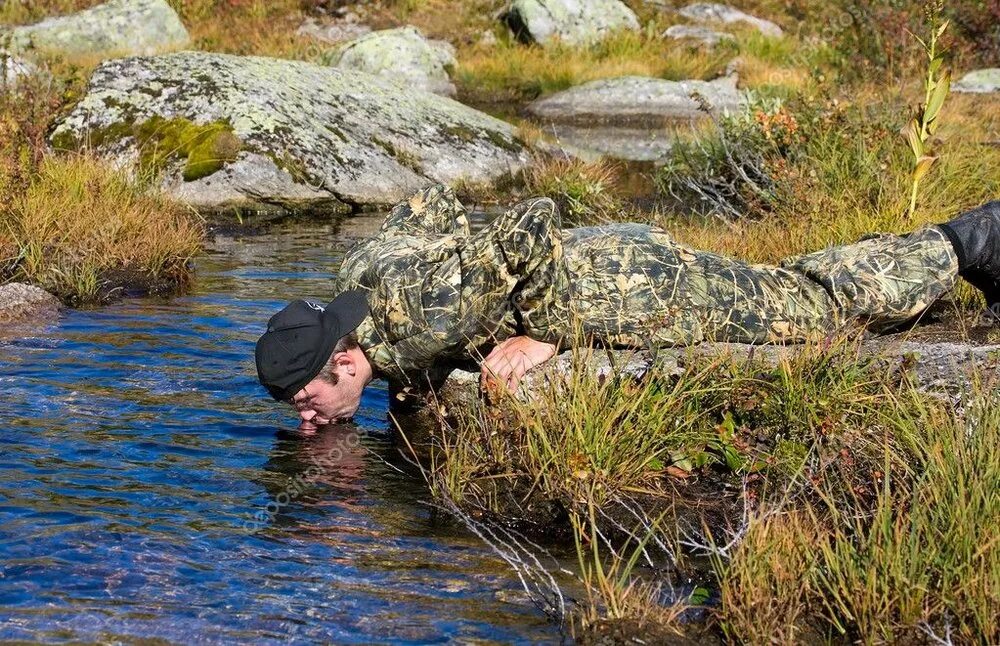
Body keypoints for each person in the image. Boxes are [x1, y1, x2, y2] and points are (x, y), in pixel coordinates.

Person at [255, 184, 1000, 430]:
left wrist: (542, 337)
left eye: (308, 396)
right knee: (785, 282)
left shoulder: (415, 315)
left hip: (632, 292)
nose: (307, 414)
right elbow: (432, 203)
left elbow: (528, 222)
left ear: (344, 359)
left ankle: (968, 241)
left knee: (816, 308)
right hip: (603, 255)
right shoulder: (357, 281)